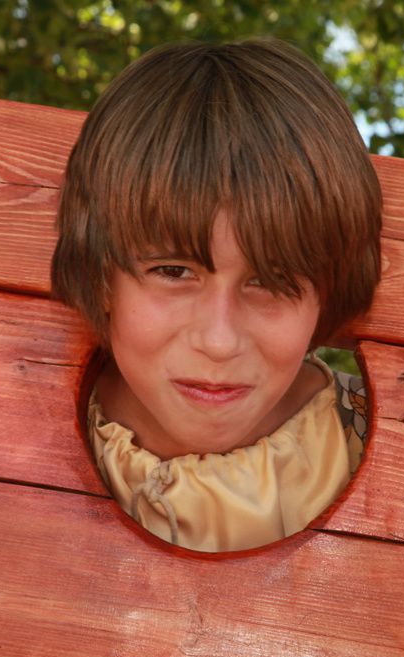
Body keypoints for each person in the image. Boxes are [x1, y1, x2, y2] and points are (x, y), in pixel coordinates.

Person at [50, 38, 382, 552]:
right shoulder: (0, 431)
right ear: (101, 275)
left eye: (270, 281)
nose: (219, 340)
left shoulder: (362, 440)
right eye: (173, 271)